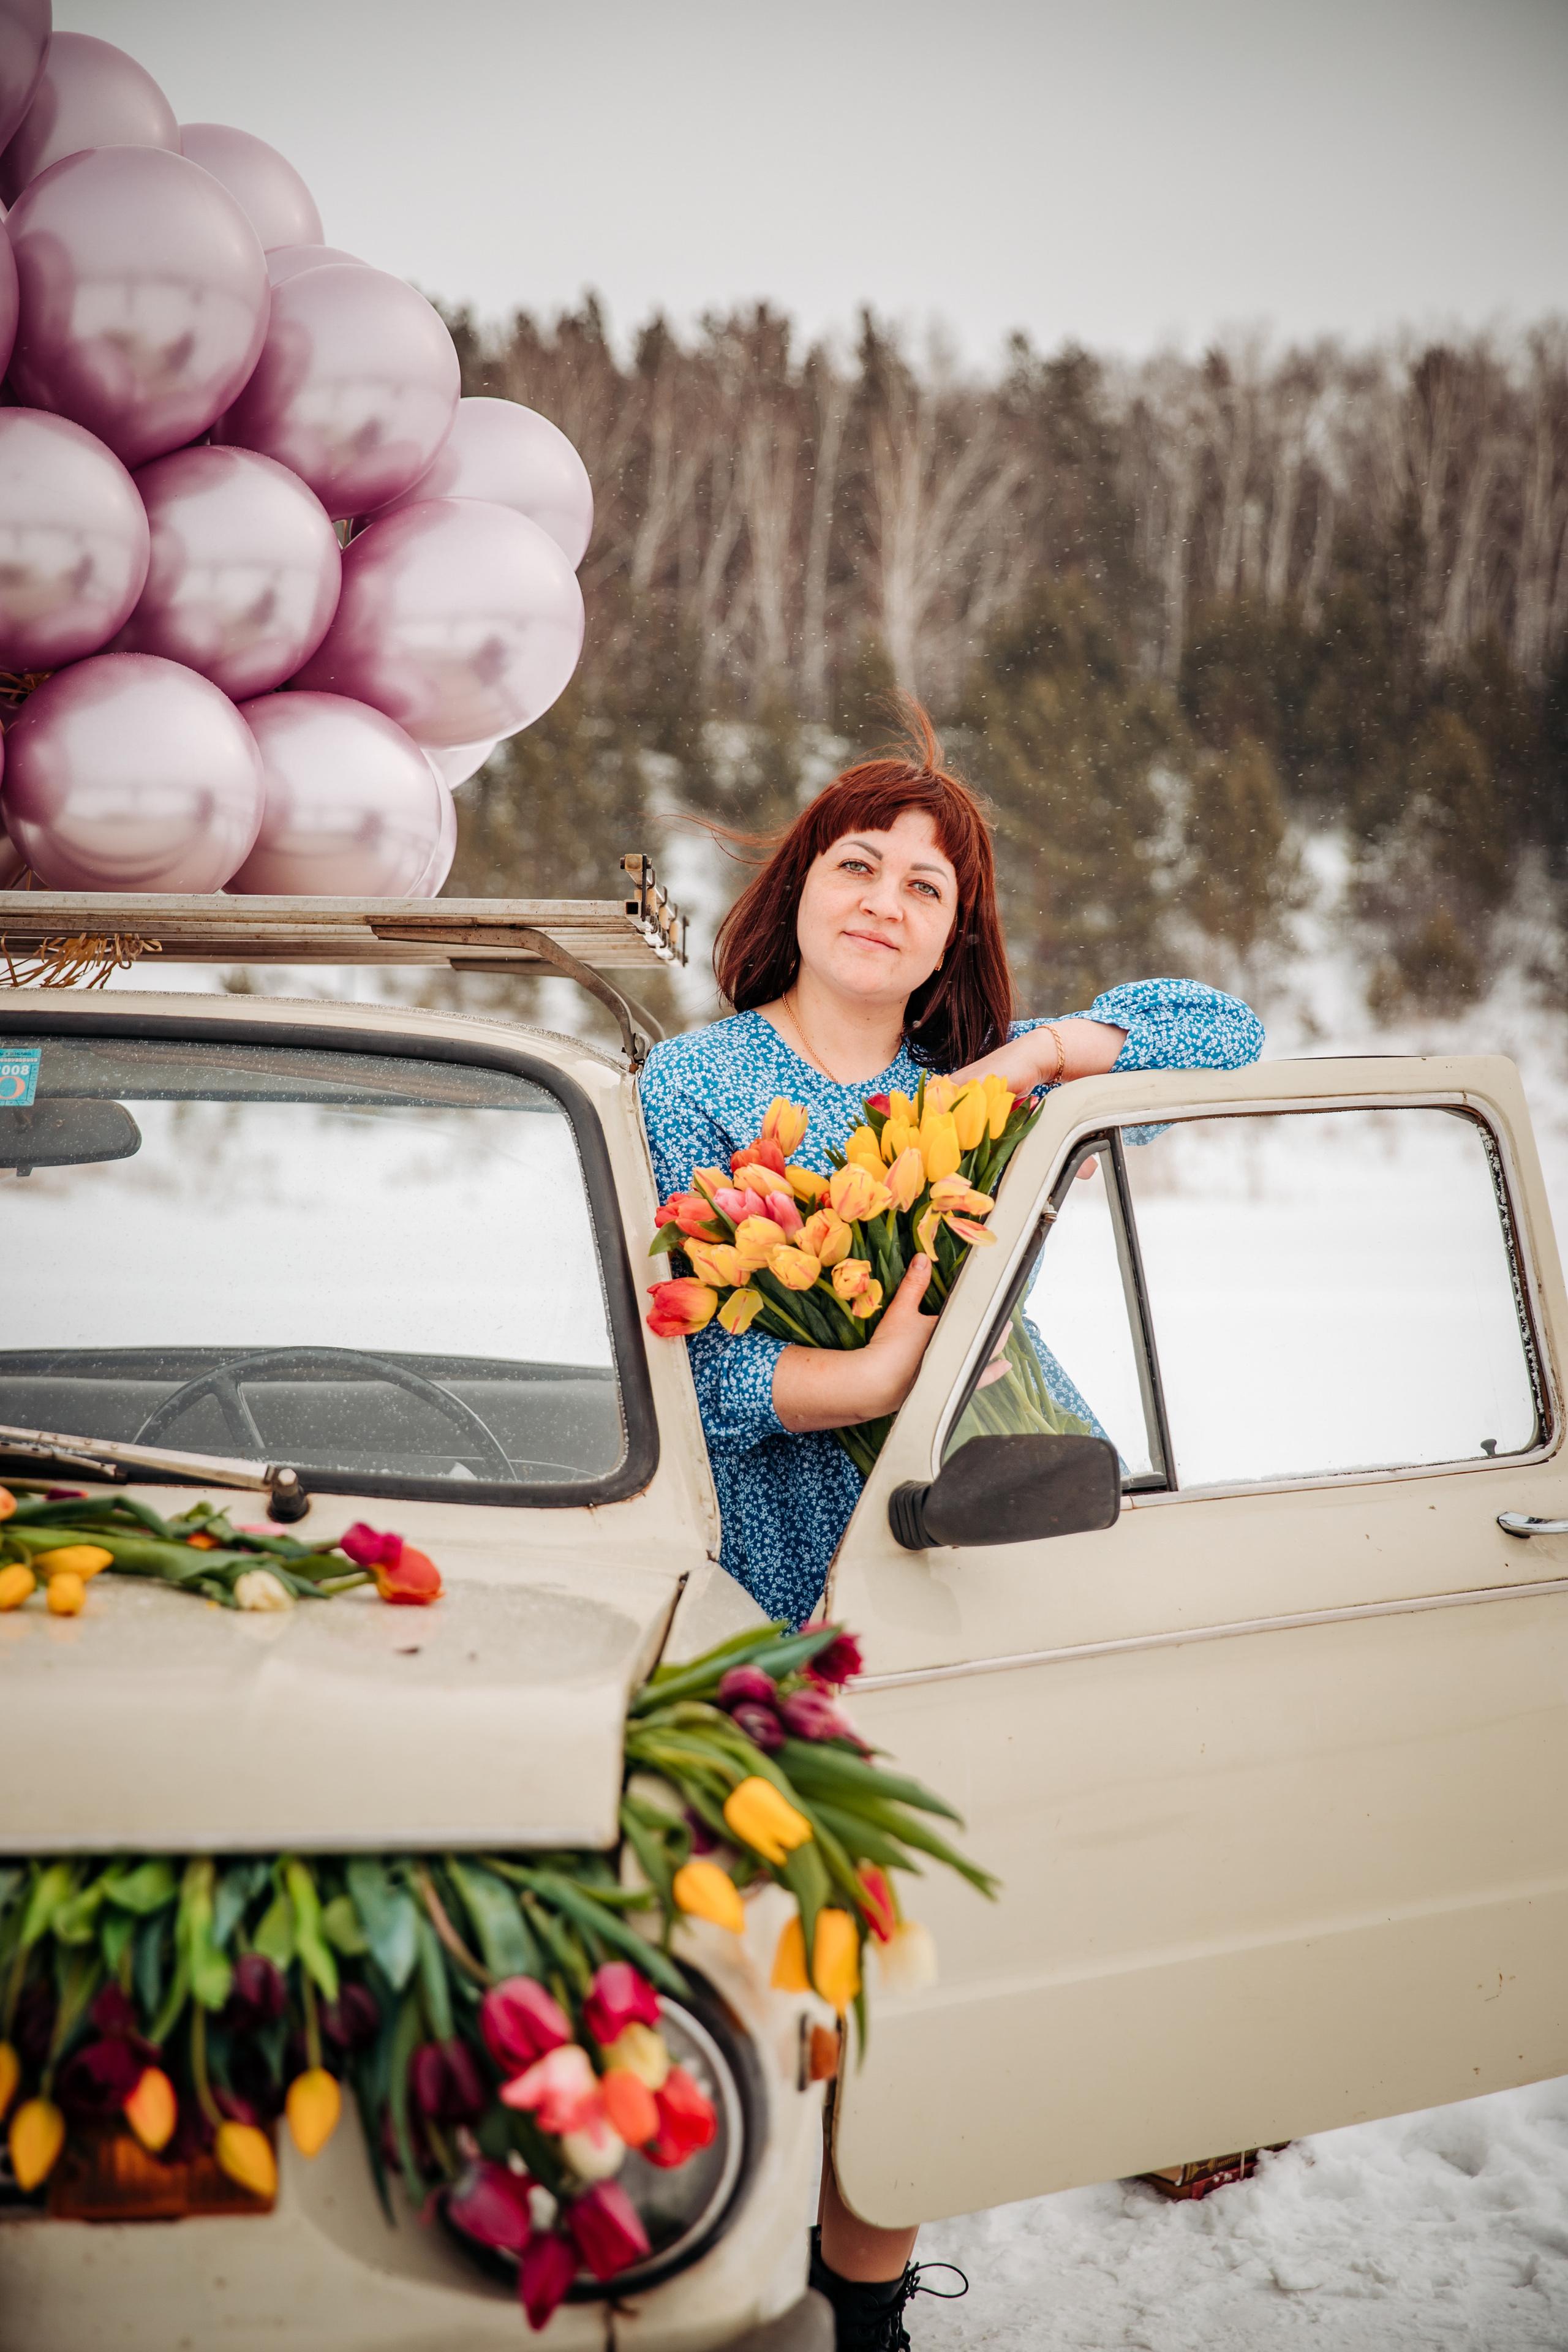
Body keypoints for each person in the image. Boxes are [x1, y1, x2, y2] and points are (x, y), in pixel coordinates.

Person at [637, 705, 1263, 2350]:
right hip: (763, 1575)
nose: (888, 899)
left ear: (949, 947)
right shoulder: (689, 1087)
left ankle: (868, 2308)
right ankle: (709, 2265)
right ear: (800, 886)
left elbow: (1227, 1032)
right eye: (860, 862)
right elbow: (668, 1370)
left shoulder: (963, 1103)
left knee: (916, 1971)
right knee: (773, 1964)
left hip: (958, 1562)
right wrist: (862, 1375)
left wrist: (1036, 1060)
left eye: (931, 890)